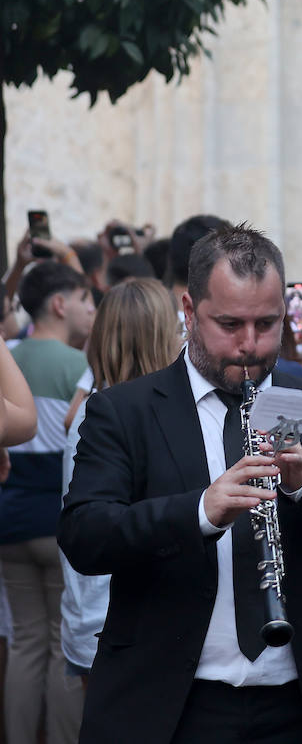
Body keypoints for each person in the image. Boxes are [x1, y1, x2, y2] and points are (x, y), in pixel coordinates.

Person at [59, 224, 302, 744]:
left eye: (266, 324)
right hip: (169, 708)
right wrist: (199, 512)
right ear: (188, 310)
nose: (249, 345)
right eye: (228, 324)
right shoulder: (124, 411)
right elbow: (85, 535)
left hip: (301, 708)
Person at [60, 279, 182, 680]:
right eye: (177, 329)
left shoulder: (92, 409)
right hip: (118, 621)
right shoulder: (118, 417)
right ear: (160, 338)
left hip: (92, 614)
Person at [2, 260, 95, 744]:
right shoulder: (76, 366)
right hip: (55, 523)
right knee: (63, 645)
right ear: (61, 304)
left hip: (10, 520)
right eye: (84, 300)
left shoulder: (10, 354)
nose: (89, 310)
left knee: (24, 641)